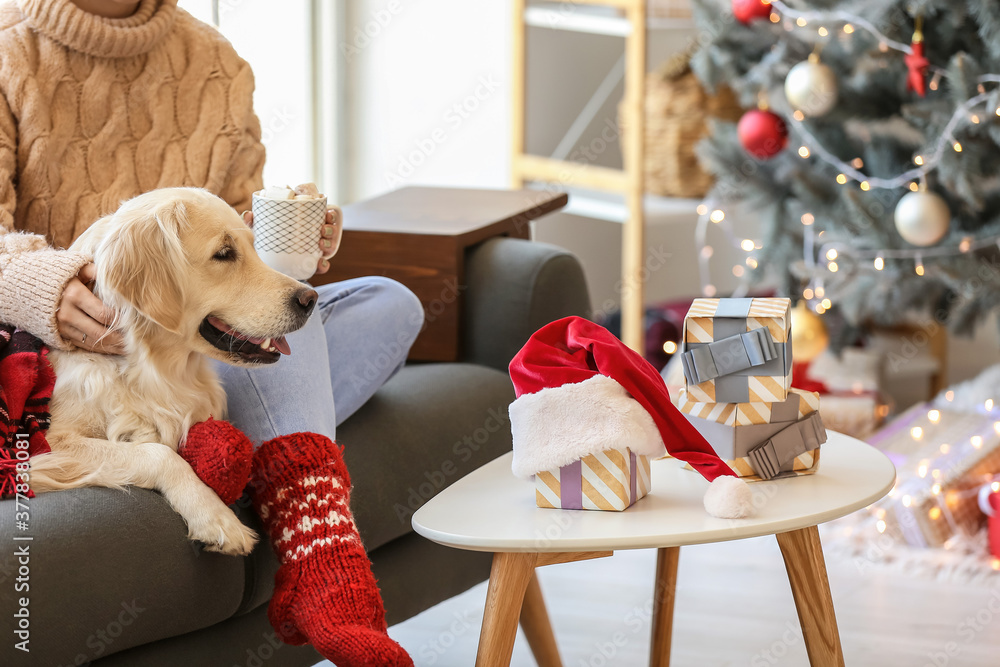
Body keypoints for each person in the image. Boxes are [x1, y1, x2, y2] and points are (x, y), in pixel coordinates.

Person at [0, 0, 419, 665]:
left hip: (201, 343)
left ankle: (239, 444)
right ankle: (319, 548)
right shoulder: (8, 50)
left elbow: (240, 244)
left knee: (390, 304)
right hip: (96, 343)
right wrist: (34, 283)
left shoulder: (216, 63)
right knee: (294, 332)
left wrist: (292, 242)